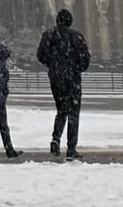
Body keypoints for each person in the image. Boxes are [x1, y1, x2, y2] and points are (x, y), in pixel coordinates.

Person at [36, 8, 91, 159]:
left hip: (56, 78)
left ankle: (56, 138)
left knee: (61, 110)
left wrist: (53, 65)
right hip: (72, 79)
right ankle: (71, 148)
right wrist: (76, 68)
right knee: (73, 112)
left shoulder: (49, 35)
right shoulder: (77, 37)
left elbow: (40, 55)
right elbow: (85, 58)